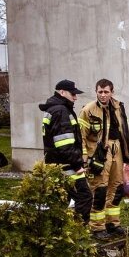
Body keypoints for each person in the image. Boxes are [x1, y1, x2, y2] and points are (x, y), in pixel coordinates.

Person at [79, 79, 129, 238]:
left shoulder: (118, 107)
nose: (103, 95)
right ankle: (97, 227)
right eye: (100, 92)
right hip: (99, 153)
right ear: (96, 92)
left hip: (117, 150)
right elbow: (80, 136)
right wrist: (84, 158)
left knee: (116, 188)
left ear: (112, 92)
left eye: (106, 92)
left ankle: (113, 223)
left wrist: (128, 155)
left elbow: (125, 132)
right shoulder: (88, 110)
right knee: (100, 189)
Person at [39, 79, 92, 225]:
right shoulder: (61, 111)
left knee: (61, 203)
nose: (75, 97)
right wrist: (77, 165)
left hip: (58, 166)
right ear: (62, 92)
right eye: (72, 94)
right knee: (84, 197)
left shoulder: (54, 109)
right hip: (67, 167)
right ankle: (78, 232)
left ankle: (59, 235)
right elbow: (64, 144)